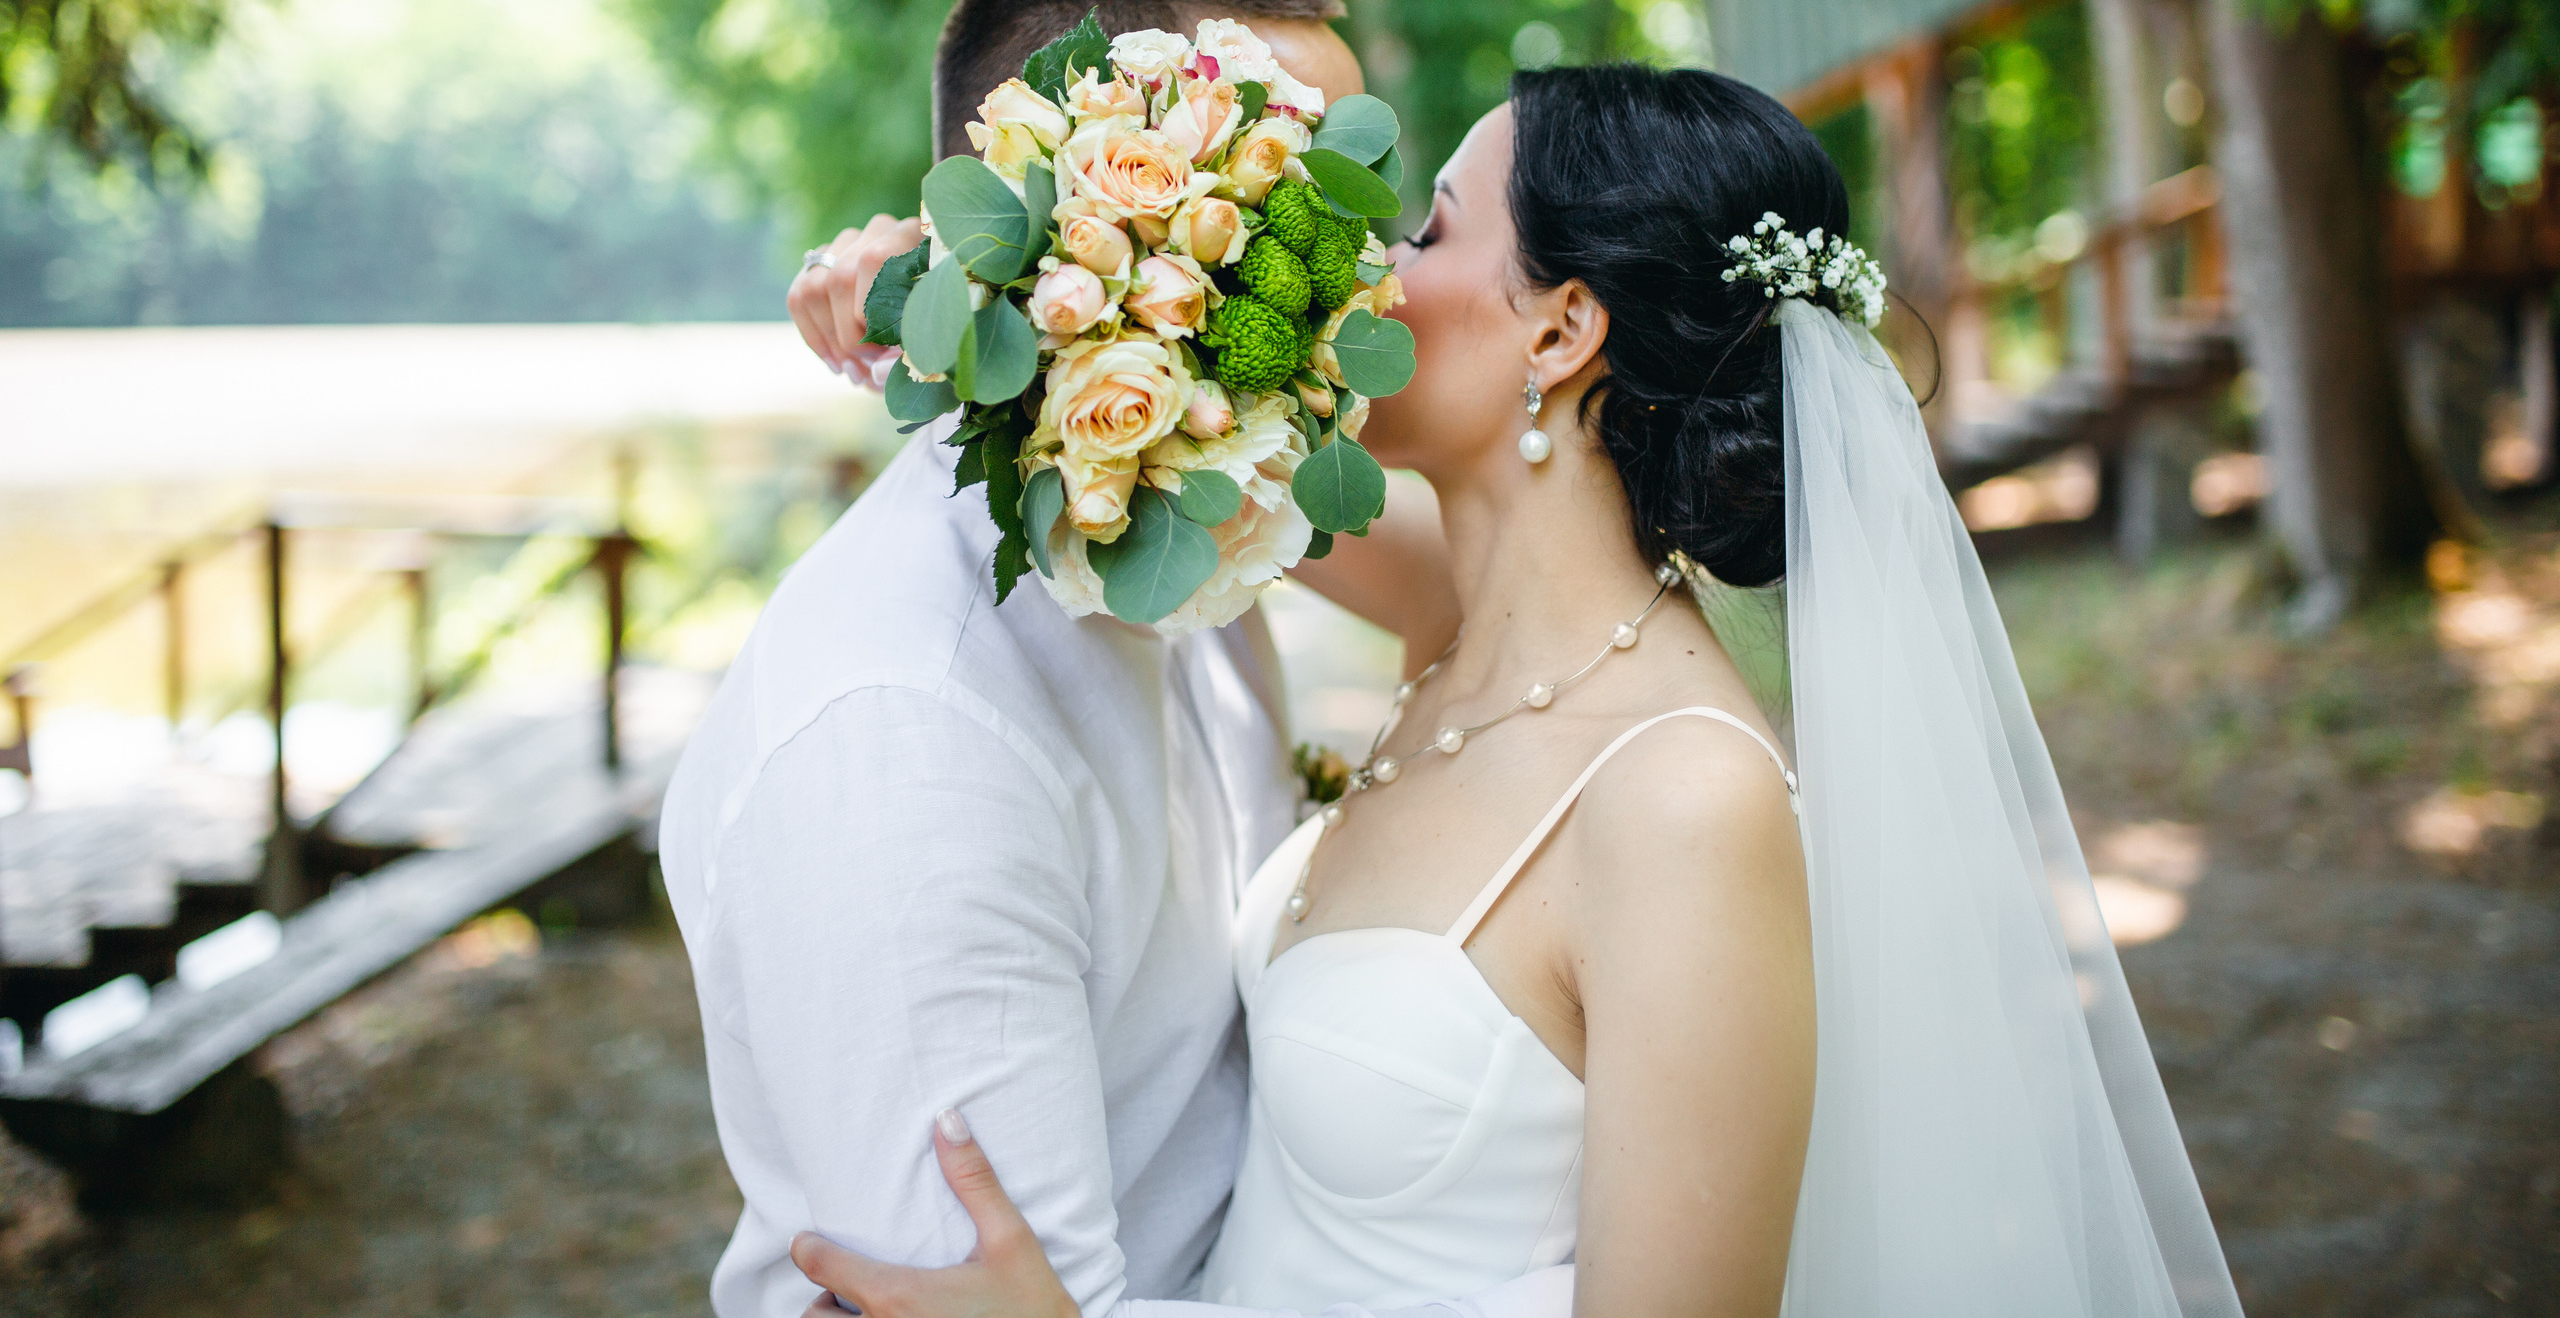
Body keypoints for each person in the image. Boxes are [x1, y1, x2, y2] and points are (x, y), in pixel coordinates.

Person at [788, 65, 2247, 1318]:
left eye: (1429, 229)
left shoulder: (1684, 800)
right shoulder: (1458, 619)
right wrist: (947, 281)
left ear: (1559, 331)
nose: (1371, 264)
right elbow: (1161, 416)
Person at [659, 0, 1567, 1318]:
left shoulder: (1196, 517)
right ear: (1102, 216)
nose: (1368, 277)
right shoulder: (904, 735)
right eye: (1298, 207)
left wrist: (981, 323)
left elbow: (1505, 591)